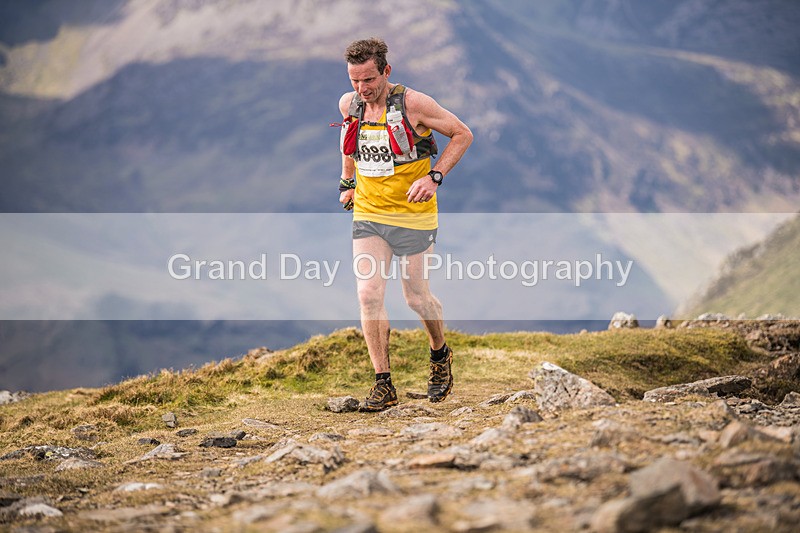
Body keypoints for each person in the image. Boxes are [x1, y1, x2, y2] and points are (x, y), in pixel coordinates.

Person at [337, 37, 473, 411]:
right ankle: (384, 384)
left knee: (416, 297)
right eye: (354, 81)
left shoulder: (415, 103)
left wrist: (434, 177)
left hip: (414, 215)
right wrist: (348, 182)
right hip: (369, 213)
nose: (362, 89)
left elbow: (463, 134)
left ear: (386, 71)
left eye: (369, 80)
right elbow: (349, 141)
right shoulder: (350, 105)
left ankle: (440, 355)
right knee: (368, 294)